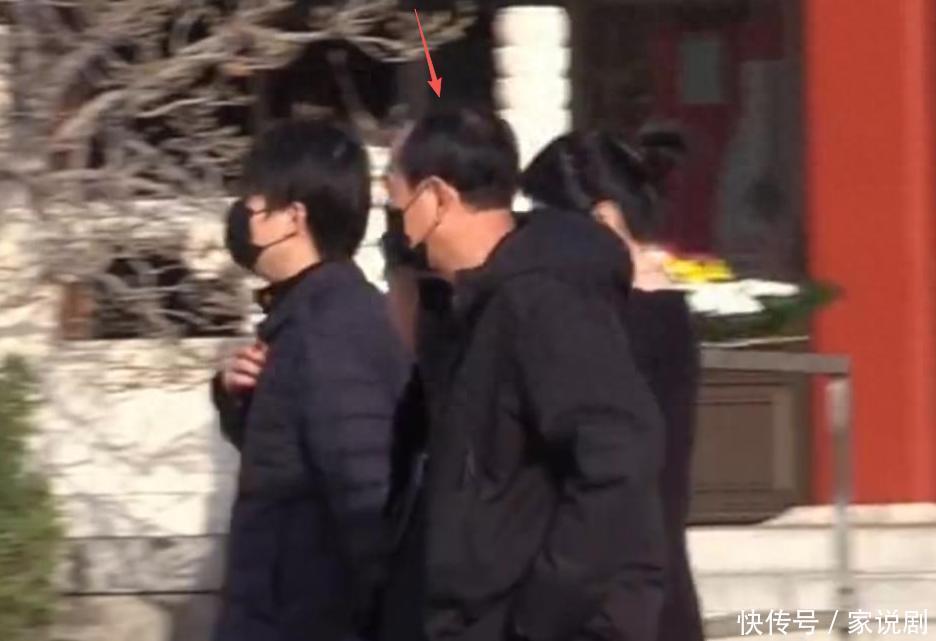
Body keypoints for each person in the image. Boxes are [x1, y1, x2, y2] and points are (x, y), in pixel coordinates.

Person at [382, 108, 666, 641]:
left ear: (436, 197)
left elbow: (619, 458)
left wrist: (539, 619)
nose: (390, 212)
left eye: (392, 191)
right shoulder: (462, 307)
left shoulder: (543, 300)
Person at [210, 119, 409, 641]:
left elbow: (366, 500)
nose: (242, 216)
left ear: (294, 218)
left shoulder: (332, 330)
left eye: (254, 204)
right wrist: (237, 399)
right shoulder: (303, 320)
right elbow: (293, 459)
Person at [521, 129, 705, 641]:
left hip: (620, 601)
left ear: (601, 218)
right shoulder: (654, 307)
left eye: (545, 222)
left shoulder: (628, 316)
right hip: (653, 591)